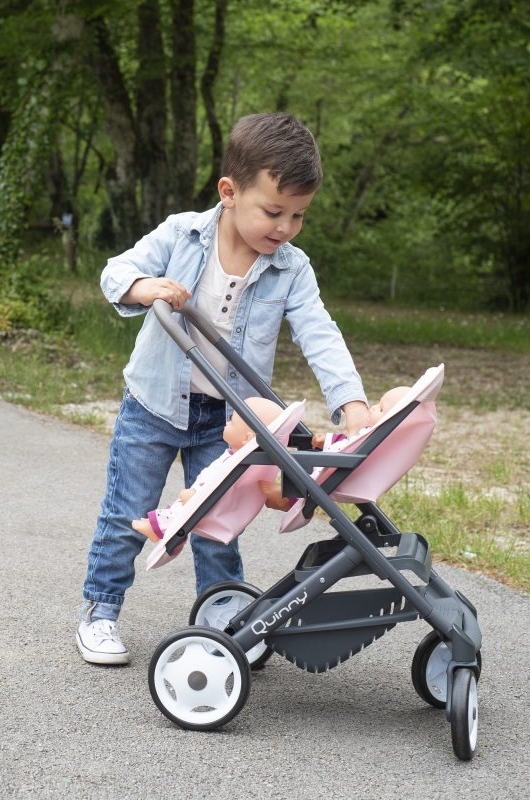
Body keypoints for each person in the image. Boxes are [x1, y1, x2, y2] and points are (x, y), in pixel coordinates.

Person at [77, 112, 370, 666]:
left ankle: (223, 616)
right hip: (153, 407)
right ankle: (101, 609)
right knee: (127, 513)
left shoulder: (290, 268)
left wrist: (350, 405)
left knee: (217, 521)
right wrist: (143, 287)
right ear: (230, 193)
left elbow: (319, 333)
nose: (285, 227)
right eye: (274, 212)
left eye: (299, 216)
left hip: (229, 417)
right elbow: (116, 270)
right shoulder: (180, 234)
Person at [132, 397, 283, 542]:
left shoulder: (239, 464)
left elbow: (221, 486)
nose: (227, 423)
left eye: (232, 421)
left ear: (246, 438)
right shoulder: (237, 457)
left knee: (181, 511)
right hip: (202, 494)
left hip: (204, 499)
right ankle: (161, 528)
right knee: (179, 508)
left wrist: (197, 496)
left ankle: (155, 528)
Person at [259, 386, 410, 512]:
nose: (374, 407)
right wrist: (327, 440)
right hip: (338, 466)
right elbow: (349, 443)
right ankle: (288, 502)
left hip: (336, 471)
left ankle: (286, 497)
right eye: (378, 403)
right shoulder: (371, 433)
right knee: (309, 472)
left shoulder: (377, 436)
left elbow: (349, 446)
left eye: (381, 409)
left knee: (305, 474)